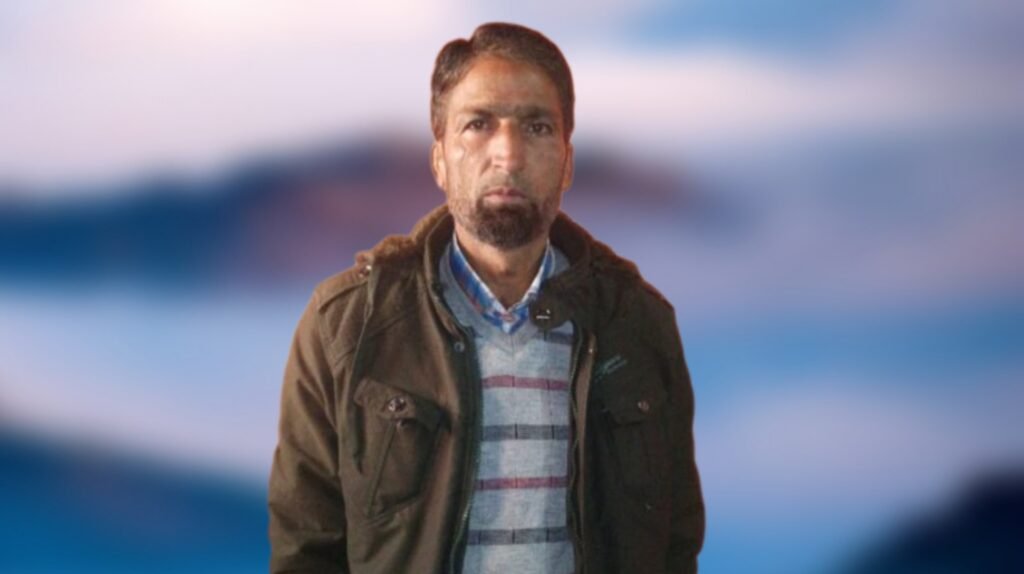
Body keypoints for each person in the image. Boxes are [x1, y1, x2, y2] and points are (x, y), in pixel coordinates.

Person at [268, 22, 704, 574]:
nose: (508, 154)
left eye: (537, 127)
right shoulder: (346, 328)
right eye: (478, 124)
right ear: (439, 160)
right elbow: (305, 553)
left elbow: (675, 545)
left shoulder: (638, 324)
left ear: (567, 162)